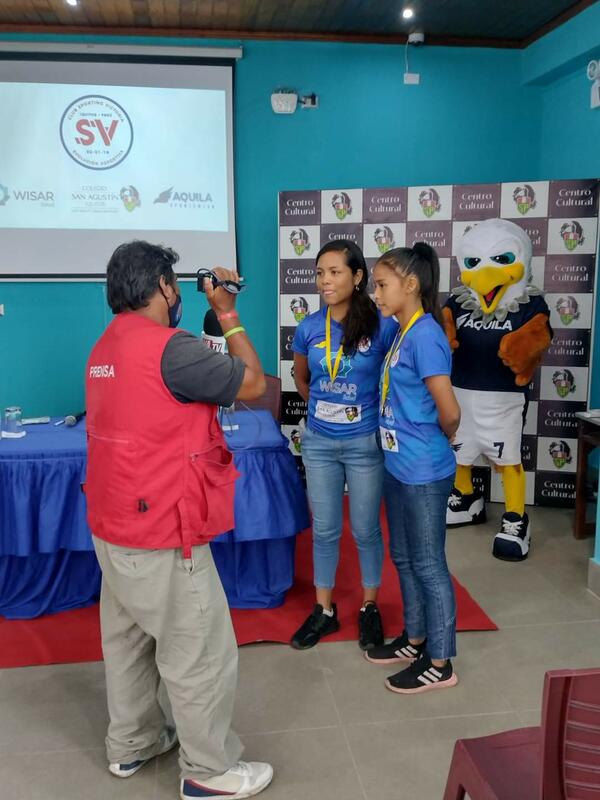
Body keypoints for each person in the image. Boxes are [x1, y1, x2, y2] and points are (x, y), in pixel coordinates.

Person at [85, 241, 273, 800]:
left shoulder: (104, 345)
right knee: (199, 653)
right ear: (164, 287)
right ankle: (208, 771)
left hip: (112, 525)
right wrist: (229, 312)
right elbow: (254, 384)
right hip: (165, 528)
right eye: (172, 284)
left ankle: (134, 743)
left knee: (128, 645)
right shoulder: (174, 349)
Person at [290, 239, 398, 651]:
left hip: (364, 444)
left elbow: (394, 379)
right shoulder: (308, 327)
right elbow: (303, 380)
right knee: (325, 529)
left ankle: (369, 607)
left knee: (367, 529)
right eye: (320, 273)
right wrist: (324, 406)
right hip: (318, 442)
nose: (325, 280)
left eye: (335, 272)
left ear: (357, 277)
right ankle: (325, 611)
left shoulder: (382, 326)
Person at [367, 242, 461, 694]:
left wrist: (440, 438)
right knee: (404, 557)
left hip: (423, 468)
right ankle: (415, 637)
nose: (376, 294)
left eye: (382, 285)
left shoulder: (425, 335)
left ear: (411, 285)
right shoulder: (401, 331)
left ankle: (440, 661)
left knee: (428, 563)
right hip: (398, 464)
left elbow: (449, 410)